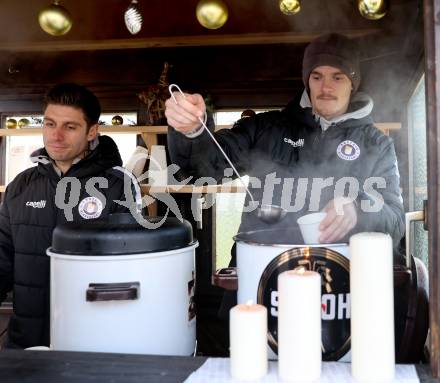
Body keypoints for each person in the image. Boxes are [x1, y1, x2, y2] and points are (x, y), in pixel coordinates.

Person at [165, 33, 404, 247]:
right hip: (260, 266)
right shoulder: (265, 129)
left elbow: (395, 221)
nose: (326, 87)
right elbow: (200, 170)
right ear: (307, 81)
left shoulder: (377, 144)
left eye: (338, 77)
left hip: (341, 272)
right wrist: (193, 130)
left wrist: (358, 210)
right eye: (317, 77)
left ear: (352, 83)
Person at [0, 83, 141, 349]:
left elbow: (128, 271)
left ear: (92, 132)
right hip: (26, 341)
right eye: (50, 124)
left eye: (70, 127)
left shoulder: (118, 184)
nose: (56, 135)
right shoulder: (20, 185)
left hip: (92, 341)